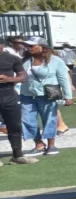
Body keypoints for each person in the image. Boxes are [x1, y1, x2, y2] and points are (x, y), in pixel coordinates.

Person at [21, 36, 74, 157]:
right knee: (27, 120)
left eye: (32, 46)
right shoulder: (25, 60)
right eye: (27, 46)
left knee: (49, 119)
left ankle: (51, 145)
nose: (28, 48)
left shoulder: (55, 60)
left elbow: (63, 79)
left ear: (42, 47)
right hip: (27, 94)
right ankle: (38, 144)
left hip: (47, 95)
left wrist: (68, 96)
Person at [0, 35, 38, 166]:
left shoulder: (12, 58)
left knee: (15, 126)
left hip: (9, 96)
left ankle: (17, 155)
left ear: (2, 46)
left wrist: (8, 79)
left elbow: (22, 76)